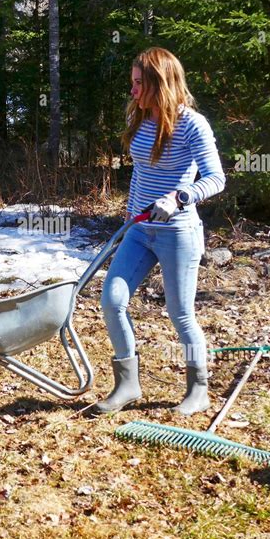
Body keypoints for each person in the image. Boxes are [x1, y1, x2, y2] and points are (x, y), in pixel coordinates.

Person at [91, 47, 226, 416]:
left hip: (177, 232)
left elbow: (216, 178)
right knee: (113, 300)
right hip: (139, 230)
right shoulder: (140, 115)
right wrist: (131, 211)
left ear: (159, 83)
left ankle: (198, 390)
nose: (132, 90)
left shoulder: (192, 124)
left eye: (139, 83)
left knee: (180, 314)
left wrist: (181, 196)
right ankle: (128, 384)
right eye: (132, 83)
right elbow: (141, 171)